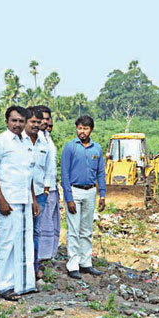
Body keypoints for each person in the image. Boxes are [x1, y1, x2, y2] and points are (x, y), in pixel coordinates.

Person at [0, 106, 40, 301]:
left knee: (25, 242)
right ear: (7, 121)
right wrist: (0, 200)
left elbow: (29, 174)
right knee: (7, 243)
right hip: (8, 200)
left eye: (20, 121)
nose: (17, 124)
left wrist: (33, 199)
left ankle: (25, 283)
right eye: (14, 120)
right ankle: (6, 285)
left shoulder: (26, 142)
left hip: (24, 198)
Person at [59, 115, 106, 279]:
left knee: (86, 229)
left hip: (90, 191)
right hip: (75, 191)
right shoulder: (70, 147)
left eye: (85, 129)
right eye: (80, 128)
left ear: (91, 130)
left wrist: (103, 195)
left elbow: (101, 172)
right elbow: (64, 173)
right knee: (74, 229)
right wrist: (69, 198)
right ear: (76, 129)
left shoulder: (97, 149)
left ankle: (86, 263)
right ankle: (73, 265)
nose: (82, 132)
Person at [24, 107, 54, 279]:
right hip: (22, 194)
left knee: (35, 232)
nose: (37, 124)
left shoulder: (44, 143)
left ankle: (33, 268)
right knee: (22, 231)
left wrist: (47, 189)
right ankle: (21, 270)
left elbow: (49, 168)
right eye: (33, 121)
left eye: (39, 121)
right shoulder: (20, 142)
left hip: (40, 193)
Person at [36, 106, 61, 262]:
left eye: (47, 118)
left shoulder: (47, 137)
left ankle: (49, 253)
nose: (45, 121)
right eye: (42, 119)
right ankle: (41, 256)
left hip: (52, 185)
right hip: (42, 187)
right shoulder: (36, 137)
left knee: (51, 220)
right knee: (42, 222)